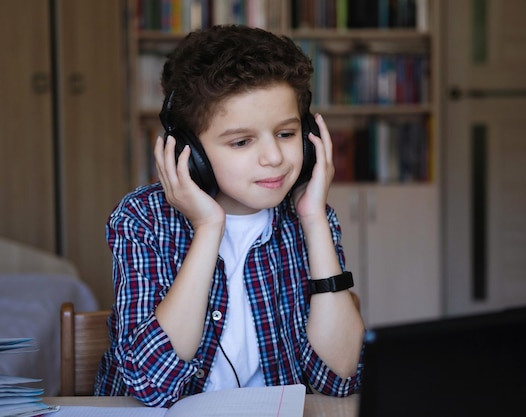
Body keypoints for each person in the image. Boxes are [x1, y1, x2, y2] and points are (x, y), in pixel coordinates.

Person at [94, 24, 365, 408]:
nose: (273, 157)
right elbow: (154, 386)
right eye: (242, 141)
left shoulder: (308, 218)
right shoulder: (144, 218)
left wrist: (314, 220)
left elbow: (339, 376)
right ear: (189, 152)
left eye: (286, 134)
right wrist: (208, 229)